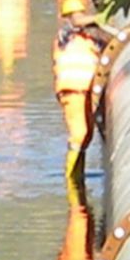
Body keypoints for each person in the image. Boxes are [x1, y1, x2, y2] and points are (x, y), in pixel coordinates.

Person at [53, 14, 109, 180]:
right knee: (79, 134)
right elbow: (76, 21)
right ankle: (72, 179)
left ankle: (77, 176)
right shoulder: (69, 38)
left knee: (86, 136)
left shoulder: (86, 40)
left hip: (85, 91)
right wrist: (101, 18)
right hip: (73, 91)